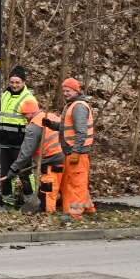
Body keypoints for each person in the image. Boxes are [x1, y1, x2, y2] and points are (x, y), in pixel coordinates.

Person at [6, 109, 64, 213]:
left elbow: (26, 152)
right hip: (68, 155)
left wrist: (14, 169)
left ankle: (48, 213)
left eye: (25, 114)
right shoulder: (51, 116)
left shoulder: (34, 126)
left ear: (32, 111)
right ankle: (74, 211)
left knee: (48, 188)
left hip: (52, 159)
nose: (24, 117)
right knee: (67, 186)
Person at [0, 66, 40, 204]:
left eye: (17, 82)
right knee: (5, 171)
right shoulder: (5, 95)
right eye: (12, 82)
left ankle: (31, 199)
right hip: (4, 141)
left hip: (20, 142)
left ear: (23, 82)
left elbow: (34, 121)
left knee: (24, 172)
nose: (14, 85)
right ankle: (7, 199)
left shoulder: (28, 98)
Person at [59, 76, 96, 221]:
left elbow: (81, 132)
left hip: (77, 153)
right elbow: (67, 128)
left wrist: (75, 151)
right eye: (64, 90)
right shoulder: (72, 105)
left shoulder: (78, 107)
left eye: (68, 90)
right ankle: (88, 208)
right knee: (76, 182)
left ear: (76, 90)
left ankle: (75, 214)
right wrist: (51, 124)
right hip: (73, 151)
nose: (65, 93)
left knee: (76, 184)